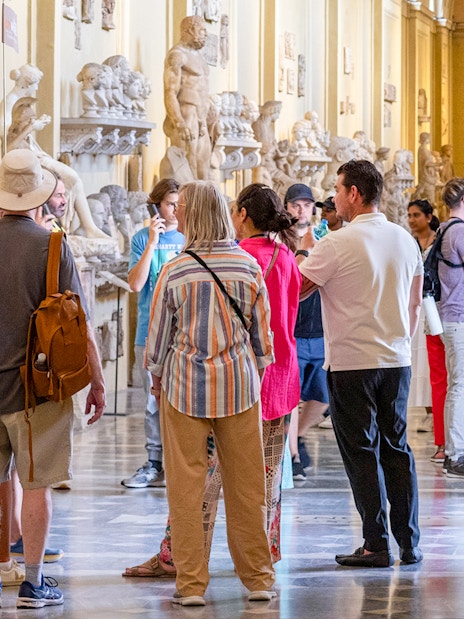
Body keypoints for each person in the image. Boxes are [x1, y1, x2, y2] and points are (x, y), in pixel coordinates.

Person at [145, 180, 276, 606]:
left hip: (185, 389)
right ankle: (257, 579)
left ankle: (191, 585)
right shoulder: (248, 266)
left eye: (181, 207)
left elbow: (158, 342)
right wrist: (250, 368)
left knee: (185, 489)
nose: (176, 213)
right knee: (248, 486)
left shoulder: (177, 270)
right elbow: (263, 339)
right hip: (239, 387)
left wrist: (157, 375)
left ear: (195, 214)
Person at [297, 159, 423, 567]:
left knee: (361, 452)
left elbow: (298, 290)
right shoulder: (405, 240)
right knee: (397, 449)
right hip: (396, 359)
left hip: (353, 360)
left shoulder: (336, 242)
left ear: (354, 193)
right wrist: (399, 340)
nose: (332, 198)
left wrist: (300, 250)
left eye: (336, 189)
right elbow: (415, 303)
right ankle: (409, 543)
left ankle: (375, 543)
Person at [0, 149, 106, 608]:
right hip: (37, 391)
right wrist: (96, 382)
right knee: (37, 484)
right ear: (39, 195)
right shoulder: (53, 248)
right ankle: (34, 581)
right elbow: (77, 323)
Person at [121, 179, 184, 488]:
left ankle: (180, 463)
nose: (175, 210)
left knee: (182, 401)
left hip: (184, 334)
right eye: (170, 204)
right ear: (156, 206)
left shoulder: (190, 238)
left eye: (179, 204)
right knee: (152, 402)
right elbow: (135, 284)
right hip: (149, 332)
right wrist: (150, 243)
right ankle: (154, 462)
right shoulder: (140, 239)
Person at [284, 184, 330, 480]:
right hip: (293, 329)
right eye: (296, 205)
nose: (302, 211)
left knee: (323, 397)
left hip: (321, 328)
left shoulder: (325, 238)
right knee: (291, 399)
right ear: (286, 208)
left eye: (307, 205)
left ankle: (298, 435)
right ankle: (293, 456)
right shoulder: (282, 239)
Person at [407, 199, 447, 461]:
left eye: (417, 215)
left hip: (435, 310)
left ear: (429, 216)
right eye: (409, 215)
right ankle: (426, 411)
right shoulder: (409, 243)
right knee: (420, 365)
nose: (412, 220)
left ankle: (437, 419)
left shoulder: (438, 243)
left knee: (436, 368)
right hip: (414, 310)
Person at [437, 178, 464, 478]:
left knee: (457, 384)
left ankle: (454, 450)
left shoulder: (444, 228)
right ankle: (455, 454)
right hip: (459, 316)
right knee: (459, 385)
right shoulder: (459, 231)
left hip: (450, 315)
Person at [163, 16, 211, 180]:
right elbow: (170, 92)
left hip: (201, 117)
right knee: (188, 170)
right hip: (187, 113)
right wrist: (179, 122)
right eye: (202, 30)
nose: (206, 34)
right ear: (190, 30)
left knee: (203, 166)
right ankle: (188, 205)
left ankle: (205, 204)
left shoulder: (199, 57)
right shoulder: (177, 56)